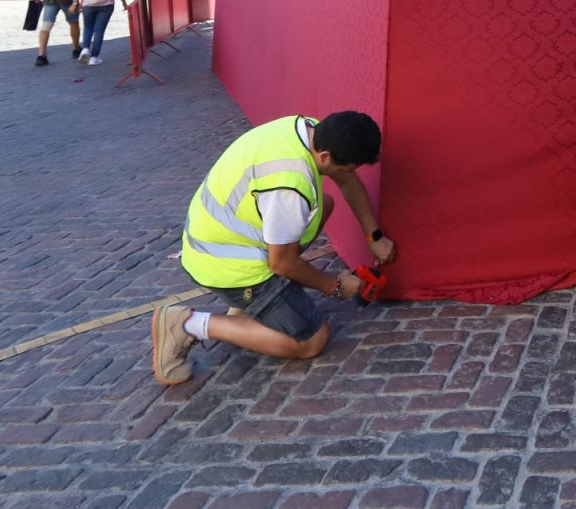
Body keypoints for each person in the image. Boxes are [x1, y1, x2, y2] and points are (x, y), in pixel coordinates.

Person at [151, 110, 397, 385]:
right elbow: (282, 264)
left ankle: (251, 304)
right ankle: (185, 324)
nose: (348, 174)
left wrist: (373, 236)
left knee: (323, 204)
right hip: (227, 265)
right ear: (326, 157)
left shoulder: (311, 130)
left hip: (217, 240)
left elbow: (346, 180)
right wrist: (335, 287)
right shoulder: (290, 187)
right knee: (312, 340)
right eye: (346, 167)